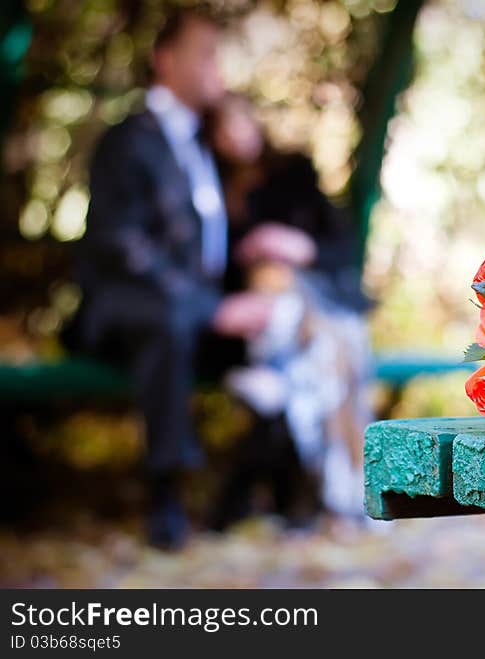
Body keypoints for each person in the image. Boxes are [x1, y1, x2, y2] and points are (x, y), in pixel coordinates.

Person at [73, 10, 275, 549]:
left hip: (195, 311)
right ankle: (166, 493)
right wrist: (211, 308)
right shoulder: (128, 140)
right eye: (205, 53)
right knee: (168, 323)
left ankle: (260, 486)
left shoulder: (206, 146)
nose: (217, 67)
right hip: (127, 311)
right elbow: (120, 245)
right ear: (166, 60)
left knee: (280, 328)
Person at [206, 96, 375, 522]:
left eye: (238, 121)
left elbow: (341, 249)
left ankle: (339, 485)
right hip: (249, 325)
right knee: (312, 354)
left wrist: (299, 248)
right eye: (221, 128)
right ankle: (337, 492)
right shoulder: (209, 193)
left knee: (323, 358)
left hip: (312, 315)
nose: (234, 135)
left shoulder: (293, 177)